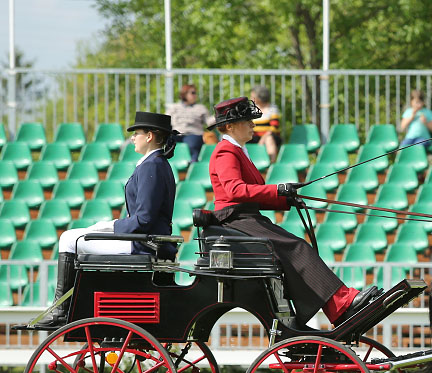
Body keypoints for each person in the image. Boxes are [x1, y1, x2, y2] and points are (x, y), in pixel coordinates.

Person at [205, 97, 381, 328]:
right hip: (235, 220)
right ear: (229, 126)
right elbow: (235, 190)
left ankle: (339, 306)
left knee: (297, 247)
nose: (253, 125)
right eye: (247, 121)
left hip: (246, 217)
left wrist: (284, 198)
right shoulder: (226, 152)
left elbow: (250, 194)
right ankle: (341, 304)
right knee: (297, 247)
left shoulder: (238, 150)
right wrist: (277, 190)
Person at [34, 112, 179, 329]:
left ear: (149, 136)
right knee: (76, 237)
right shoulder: (156, 164)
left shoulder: (152, 165)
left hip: (143, 243)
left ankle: (61, 311)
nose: (133, 138)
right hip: (145, 239)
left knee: (68, 239)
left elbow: (145, 218)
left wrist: (111, 226)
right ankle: (73, 303)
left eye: (136, 133)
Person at [169, 84, 213, 163]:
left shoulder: (200, 108)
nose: (195, 95)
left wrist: (219, 116)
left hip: (193, 133)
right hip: (177, 133)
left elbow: (209, 122)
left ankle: (193, 162)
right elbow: (166, 120)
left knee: (193, 143)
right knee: (167, 141)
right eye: (192, 93)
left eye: (195, 93)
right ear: (184, 94)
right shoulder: (174, 107)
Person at [249, 85, 282, 163]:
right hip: (254, 137)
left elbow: (274, 127)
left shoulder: (272, 108)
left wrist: (263, 138)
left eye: (252, 96)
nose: (250, 98)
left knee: (269, 139)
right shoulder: (251, 109)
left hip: (270, 136)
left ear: (260, 97)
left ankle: (271, 164)